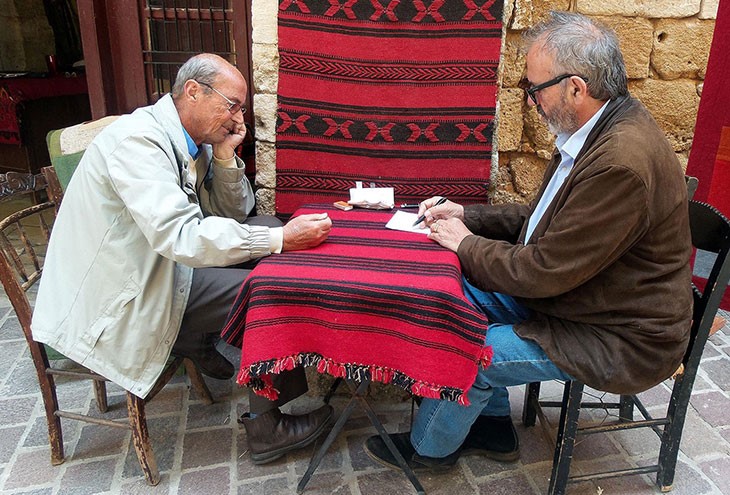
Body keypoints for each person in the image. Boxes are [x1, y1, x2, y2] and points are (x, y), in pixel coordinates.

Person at [364, 11, 693, 472]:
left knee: (474, 349)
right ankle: (493, 426)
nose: (532, 99)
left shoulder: (619, 162)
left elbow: (542, 270)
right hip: (585, 299)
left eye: (535, 88)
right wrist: (467, 217)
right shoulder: (600, 129)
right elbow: (547, 221)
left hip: (619, 335)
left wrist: (464, 244)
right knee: (455, 299)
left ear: (575, 88)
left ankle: (429, 450)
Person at [32, 53, 335, 464]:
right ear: (193, 91)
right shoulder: (138, 142)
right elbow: (182, 237)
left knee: (264, 225)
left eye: (241, 109)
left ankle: (197, 337)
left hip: (161, 266)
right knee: (264, 292)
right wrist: (281, 238)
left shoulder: (195, 142)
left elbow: (233, 216)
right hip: (121, 295)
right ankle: (266, 429)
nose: (237, 118)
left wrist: (225, 156)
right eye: (232, 105)